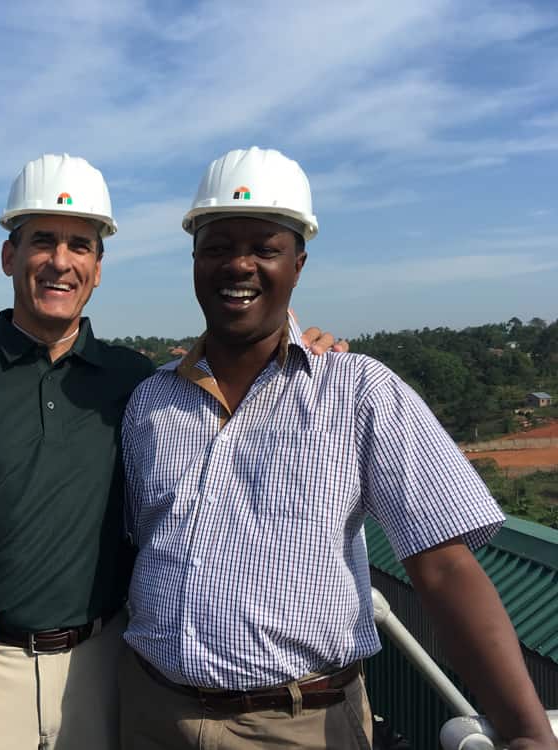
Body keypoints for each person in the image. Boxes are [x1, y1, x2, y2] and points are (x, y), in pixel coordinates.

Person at [119, 146, 557, 750]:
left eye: (264, 248)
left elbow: (445, 565)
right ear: (194, 260)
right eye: (217, 248)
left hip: (300, 724)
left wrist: (528, 732)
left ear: (298, 264)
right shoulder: (150, 403)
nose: (238, 265)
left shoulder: (359, 391)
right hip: (150, 711)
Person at [0, 153, 343, 750]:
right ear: (10, 256)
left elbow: (239, 370)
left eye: (80, 245)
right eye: (43, 241)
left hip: (107, 665)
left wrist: (308, 345)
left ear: (99, 267)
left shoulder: (138, 382)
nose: (61, 261)